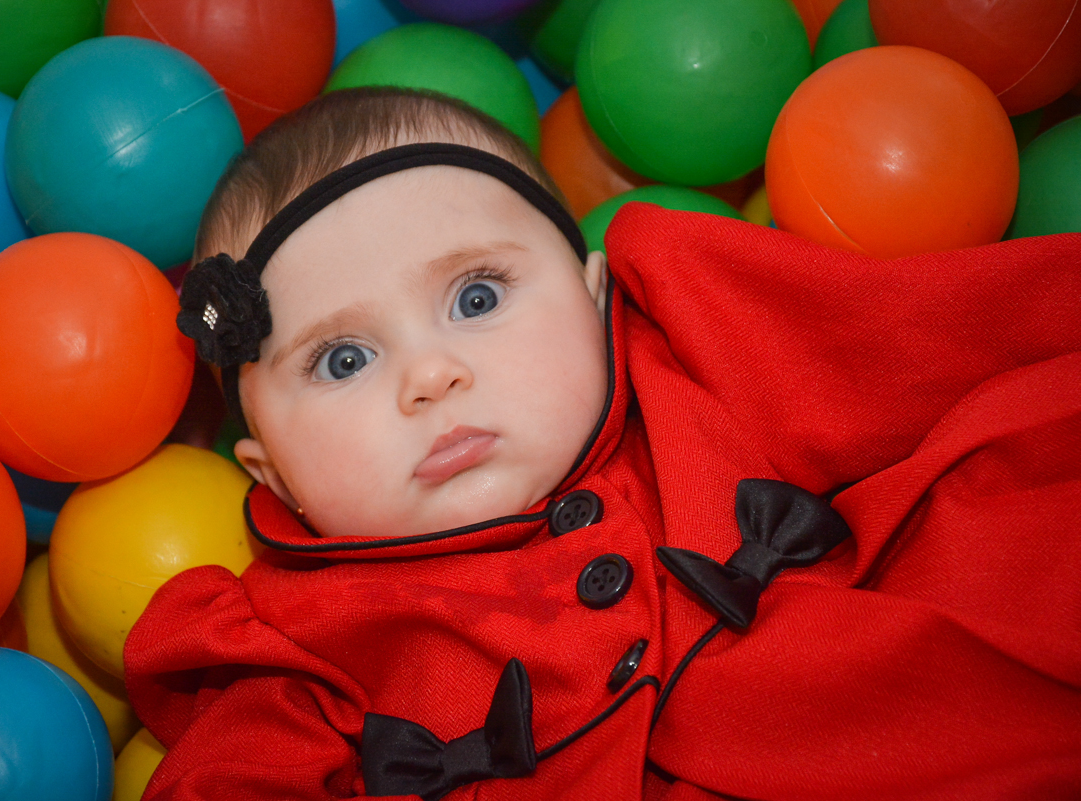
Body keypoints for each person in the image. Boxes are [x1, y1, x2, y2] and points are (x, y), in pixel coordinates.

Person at [124, 87, 1081, 800]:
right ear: (273, 475)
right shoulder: (288, 653)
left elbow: (925, 338)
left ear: (594, 299)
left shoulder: (695, 351)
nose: (430, 374)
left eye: (477, 297)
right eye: (343, 359)